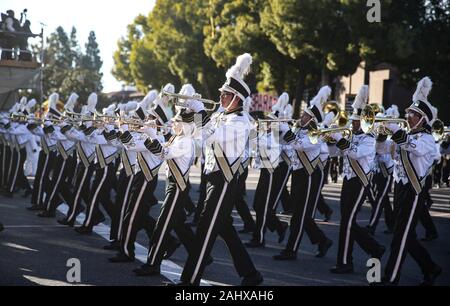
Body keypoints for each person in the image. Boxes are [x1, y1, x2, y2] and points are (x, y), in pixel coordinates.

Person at [175, 53, 263, 286]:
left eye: (225, 94)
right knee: (224, 228)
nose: (220, 96)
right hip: (213, 178)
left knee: (205, 230)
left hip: (224, 181)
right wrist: (188, 113)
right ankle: (251, 275)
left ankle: (188, 283)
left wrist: (200, 112)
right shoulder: (219, 116)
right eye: (222, 93)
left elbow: (215, 138)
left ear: (236, 97)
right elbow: (199, 136)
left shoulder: (240, 122)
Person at [381, 77, 442, 286]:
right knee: (407, 236)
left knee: (400, 238)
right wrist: (380, 133)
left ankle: (390, 278)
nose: (408, 117)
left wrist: (395, 130)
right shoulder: (407, 134)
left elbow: (410, 146)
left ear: (423, 118)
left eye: (413, 114)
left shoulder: (426, 139)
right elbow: (385, 151)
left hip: (414, 191)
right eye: (408, 113)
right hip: (400, 187)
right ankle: (431, 268)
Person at [329, 85, 385, 274]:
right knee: (347, 220)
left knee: (347, 221)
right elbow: (334, 152)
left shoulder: (369, 139)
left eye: (355, 122)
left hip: (360, 182)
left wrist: (340, 139)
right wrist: (330, 140)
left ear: (363, 121)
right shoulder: (353, 135)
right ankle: (374, 248)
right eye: (352, 121)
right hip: (348, 180)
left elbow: (356, 154)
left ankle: (345, 262)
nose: (351, 124)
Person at [274, 86, 333, 261]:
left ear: (312, 118)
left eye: (306, 115)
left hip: (310, 175)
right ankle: (322, 240)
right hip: (299, 173)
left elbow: (300, 145)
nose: (302, 116)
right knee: (301, 214)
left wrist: (285, 129)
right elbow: (286, 144)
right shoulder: (300, 130)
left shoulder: (317, 133)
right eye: (303, 114)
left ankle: (291, 250)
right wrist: (278, 128)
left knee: (299, 216)